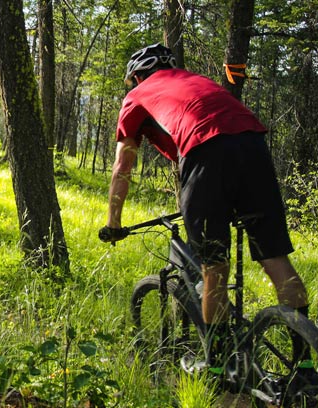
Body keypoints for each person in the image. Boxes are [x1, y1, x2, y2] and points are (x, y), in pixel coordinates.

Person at [98, 43, 312, 377]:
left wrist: (113, 222)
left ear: (138, 76)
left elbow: (122, 165)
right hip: (254, 145)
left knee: (214, 266)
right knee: (275, 259)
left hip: (207, 151)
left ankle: (215, 367)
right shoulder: (196, 82)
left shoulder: (138, 95)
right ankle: (306, 364)